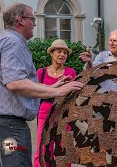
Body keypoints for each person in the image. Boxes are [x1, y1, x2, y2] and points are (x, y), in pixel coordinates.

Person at [0, 3, 84, 167]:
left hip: (2, 127)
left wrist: (53, 87)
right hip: (10, 129)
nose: (35, 23)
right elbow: (15, 82)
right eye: (32, 18)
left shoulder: (0, 41)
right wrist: (59, 90)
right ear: (20, 20)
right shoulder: (13, 42)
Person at [33, 39, 77, 167]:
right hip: (45, 112)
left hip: (64, 113)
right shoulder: (41, 72)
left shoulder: (70, 72)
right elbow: (36, 90)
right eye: (59, 51)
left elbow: (74, 94)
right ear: (52, 53)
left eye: (65, 52)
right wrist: (56, 86)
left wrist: (67, 85)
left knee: (63, 147)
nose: (62, 54)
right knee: (42, 147)